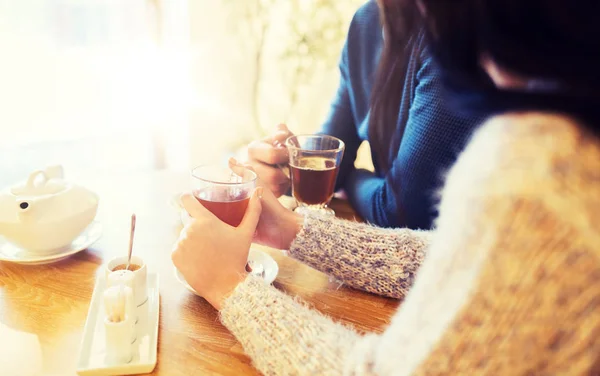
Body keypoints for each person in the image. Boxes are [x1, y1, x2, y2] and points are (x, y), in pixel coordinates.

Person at [172, 0, 600, 374]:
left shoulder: (537, 167)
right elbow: (452, 255)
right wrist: (291, 230)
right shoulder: (559, 139)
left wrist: (229, 287)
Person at [246, 0, 485, 229]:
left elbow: (399, 212)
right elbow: (333, 159)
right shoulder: (366, 21)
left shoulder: (453, 33)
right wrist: (285, 168)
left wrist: (349, 179)